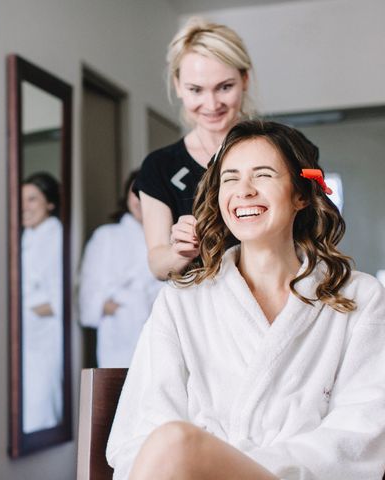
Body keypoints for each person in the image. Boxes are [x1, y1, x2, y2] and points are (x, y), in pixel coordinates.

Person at [107, 120, 385, 479]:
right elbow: (140, 431)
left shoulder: (360, 298)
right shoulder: (182, 302)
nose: (244, 190)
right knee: (170, 441)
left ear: (301, 194)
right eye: (230, 178)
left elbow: (361, 432)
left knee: (176, 442)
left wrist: (238, 468)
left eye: (263, 175)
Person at [134, 17, 254, 280]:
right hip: (201, 312)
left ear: (244, 79)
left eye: (225, 87)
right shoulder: (160, 167)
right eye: (196, 90)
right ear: (178, 86)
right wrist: (179, 252)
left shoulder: (281, 153)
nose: (211, 104)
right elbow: (157, 263)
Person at [79, 170, 162, 368]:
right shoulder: (106, 236)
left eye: (149, 192)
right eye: (136, 192)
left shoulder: (173, 236)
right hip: (119, 333)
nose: (141, 199)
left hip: (159, 329)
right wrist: (115, 308)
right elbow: (88, 293)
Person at [20, 172, 63, 433]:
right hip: (23, 339)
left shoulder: (54, 235)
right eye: (21, 199)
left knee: (41, 404)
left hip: (43, 337)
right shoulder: (25, 237)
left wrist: (22, 311)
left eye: (32, 199)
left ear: (50, 203)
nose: (24, 206)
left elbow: (58, 296)